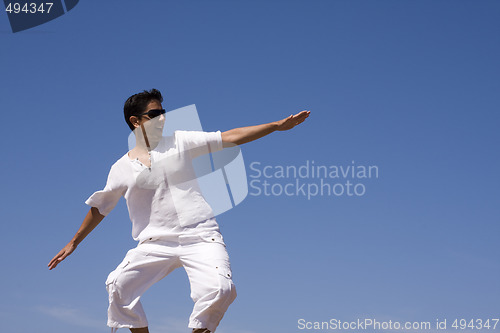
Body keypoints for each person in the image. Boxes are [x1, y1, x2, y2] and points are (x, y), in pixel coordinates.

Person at [48, 89, 310, 333]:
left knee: (220, 289)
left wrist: (276, 126)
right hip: (155, 242)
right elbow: (101, 206)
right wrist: (74, 242)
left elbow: (228, 136)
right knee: (117, 285)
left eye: (163, 112)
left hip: (200, 236)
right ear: (135, 121)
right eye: (154, 114)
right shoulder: (121, 168)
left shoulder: (181, 142)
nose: (162, 118)